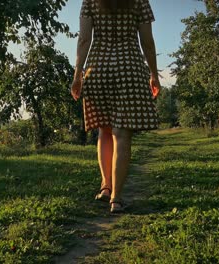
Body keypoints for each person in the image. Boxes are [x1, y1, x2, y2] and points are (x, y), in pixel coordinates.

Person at [71, 0, 161, 213]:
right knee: (122, 134)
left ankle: (105, 186)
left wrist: (77, 74)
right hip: (129, 68)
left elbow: (84, 39)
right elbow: (147, 41)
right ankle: (116, 198)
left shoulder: (90, 1)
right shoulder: (140, 1)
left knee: (104, 129)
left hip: (98, 68)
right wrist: (154, 74)